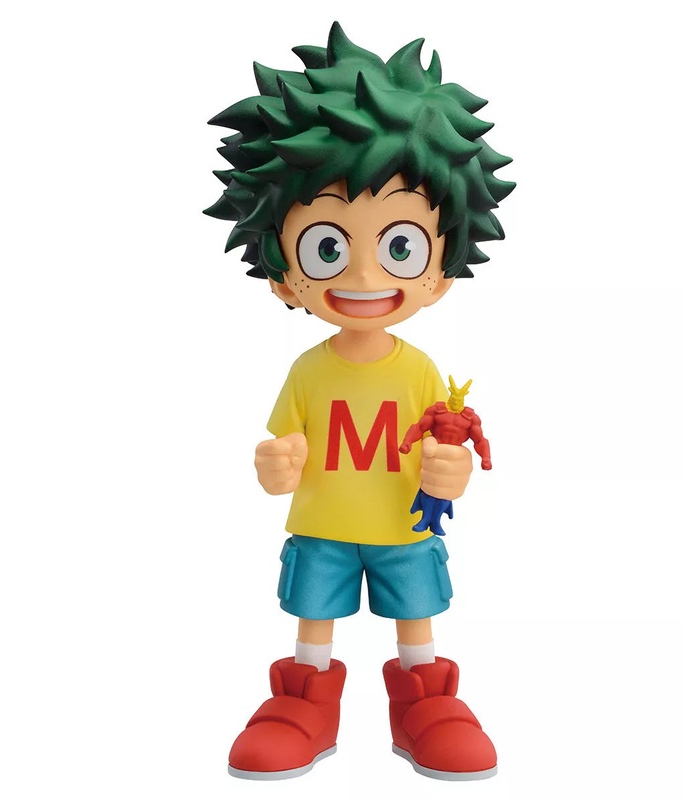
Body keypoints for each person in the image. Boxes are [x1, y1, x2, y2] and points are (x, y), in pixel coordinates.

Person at [205, 22, 514, 781]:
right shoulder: (308, 370)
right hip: (323, 526)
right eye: (329, 248)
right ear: (283, 274)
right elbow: (283, 446)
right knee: (314, 620)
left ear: (441, 270)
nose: (366, 276)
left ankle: (425, 705)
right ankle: (304, 705)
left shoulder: (421, 369)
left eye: (401, 245)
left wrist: (451, 472)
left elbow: (448, 444)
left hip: (404, 525)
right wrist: (277, 464)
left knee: (417, 620)